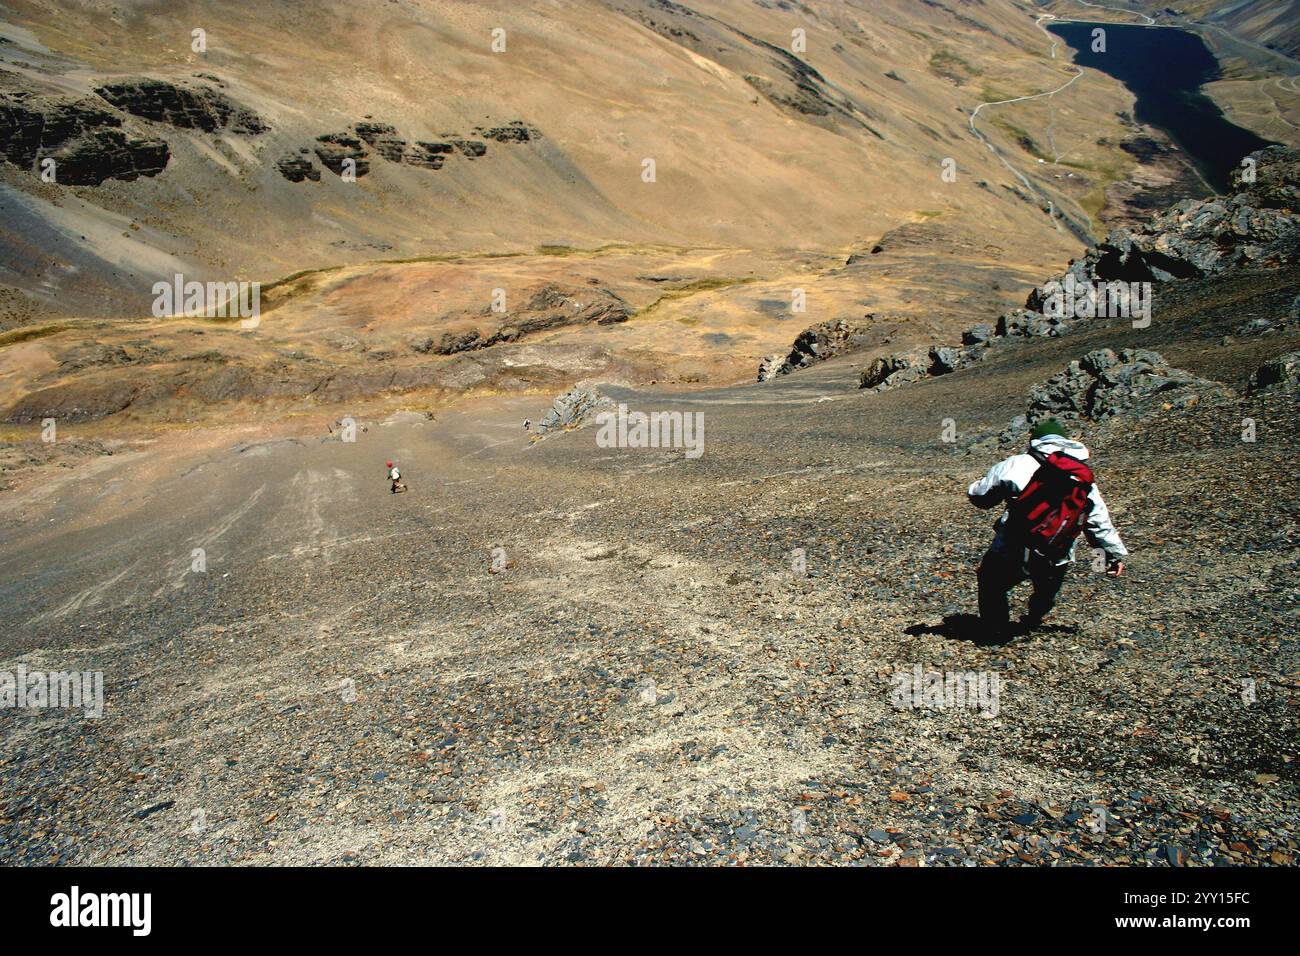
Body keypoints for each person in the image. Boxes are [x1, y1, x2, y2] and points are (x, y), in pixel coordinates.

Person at [967, 418, 1126, 635]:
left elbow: (980, 498)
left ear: (1034, 441)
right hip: (1058, 548)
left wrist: (975, 485)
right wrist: (1112, 555)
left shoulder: (1016, 464)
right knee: (1045, 590)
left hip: (1014, 546)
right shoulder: (1082, 475)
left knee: (991, 580)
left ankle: (996, 631)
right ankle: (1033, 618)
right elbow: (1098, 521)